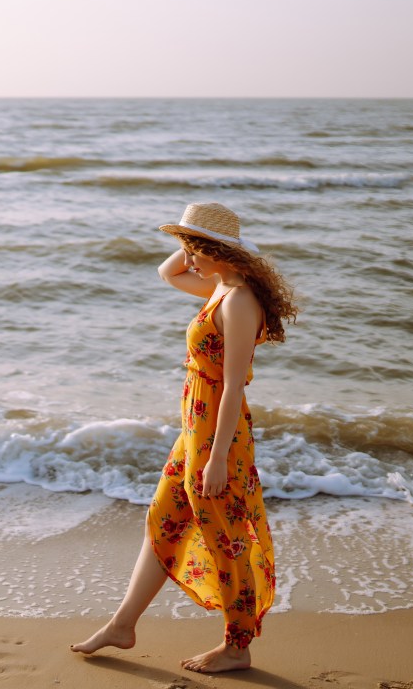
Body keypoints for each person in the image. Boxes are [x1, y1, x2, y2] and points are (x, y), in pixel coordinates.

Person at [71, 202, 297, 674]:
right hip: (195, 434)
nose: (188, 260)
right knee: (164, 521)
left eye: (196, 251)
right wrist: (189, 238)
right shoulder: (220, 287)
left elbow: (233, 385)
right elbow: (166, 271)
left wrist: (216, 459)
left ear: (218, 252)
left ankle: (237, 645)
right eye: (190, 249)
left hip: (219, 438)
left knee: (225, 540)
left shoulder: (237, 301)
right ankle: (122, 624)